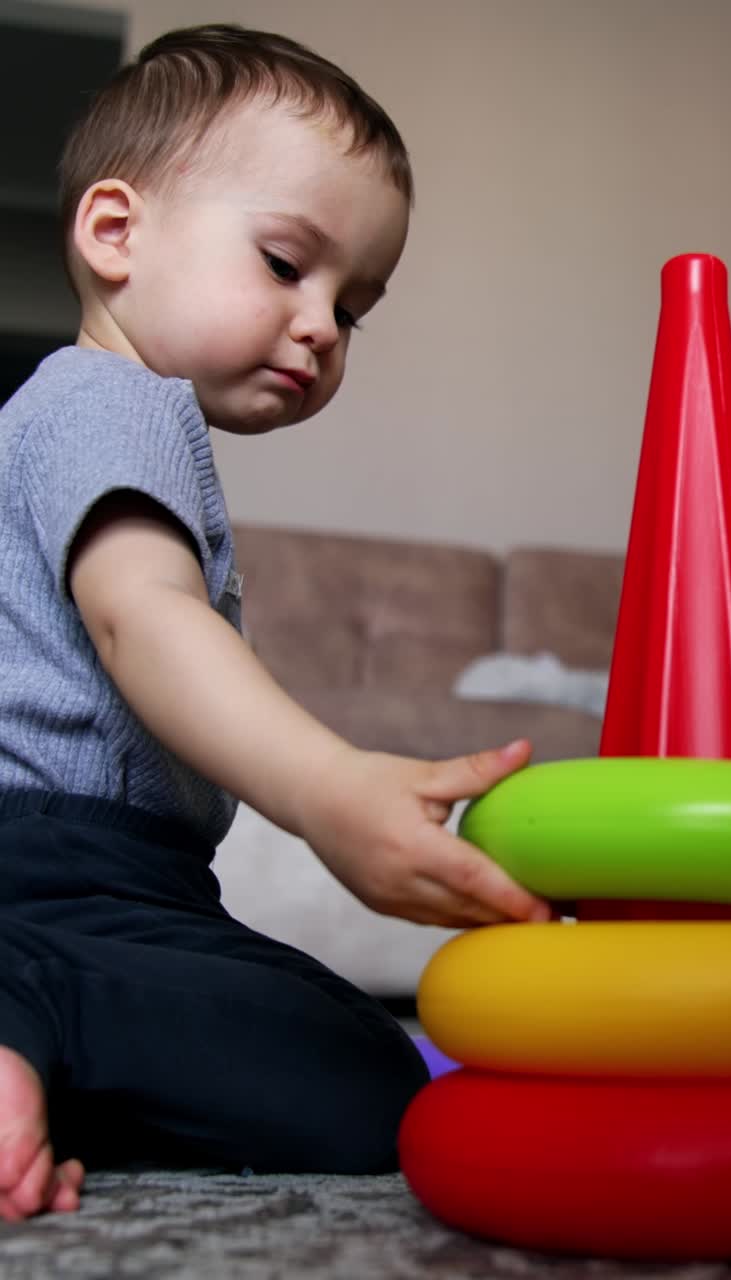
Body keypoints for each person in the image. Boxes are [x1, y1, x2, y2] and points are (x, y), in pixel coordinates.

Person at [0, 23, 552, 1223]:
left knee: (365, 1073)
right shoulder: (113, 403)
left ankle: (28, 1055)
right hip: (46, 872)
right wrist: (327, 789)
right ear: (114, 234)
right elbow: (140, 618)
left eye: (354, 306)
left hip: (123, 884)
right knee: (367, 1083)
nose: (320, 326)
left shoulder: (91, 412)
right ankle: (19, 1000)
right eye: (284, 264)